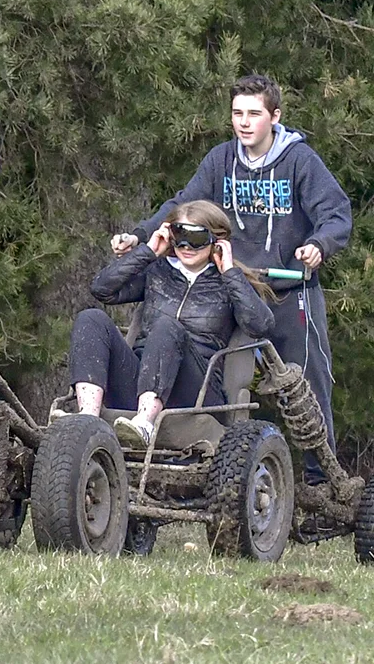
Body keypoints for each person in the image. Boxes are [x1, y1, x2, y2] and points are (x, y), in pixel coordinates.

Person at [110, 76, 352, 474]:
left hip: (290, 289)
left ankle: (319, 474)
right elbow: (182, 203)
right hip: (236, 287)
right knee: (222, 380)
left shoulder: (300, 161)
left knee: (308, 382)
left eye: (254, 113)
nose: (244, 122)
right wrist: (139, 236)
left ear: (275, 117)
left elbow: (336, 213)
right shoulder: (221, 159)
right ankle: (217, 467)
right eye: (237, 113)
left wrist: (319, 245)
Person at [72, 202, 276, 444]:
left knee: (167, 327)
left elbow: (260, 326)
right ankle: (86, 419)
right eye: (180, 236)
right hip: (142, 381)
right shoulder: (158, 272)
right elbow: (102, 289)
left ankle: (145, 424)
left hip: (197, 392)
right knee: (91, 318)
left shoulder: (231, 282)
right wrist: (148, 251)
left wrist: (230, 272)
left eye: (196, 238)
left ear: (216, 240)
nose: (186, 246)